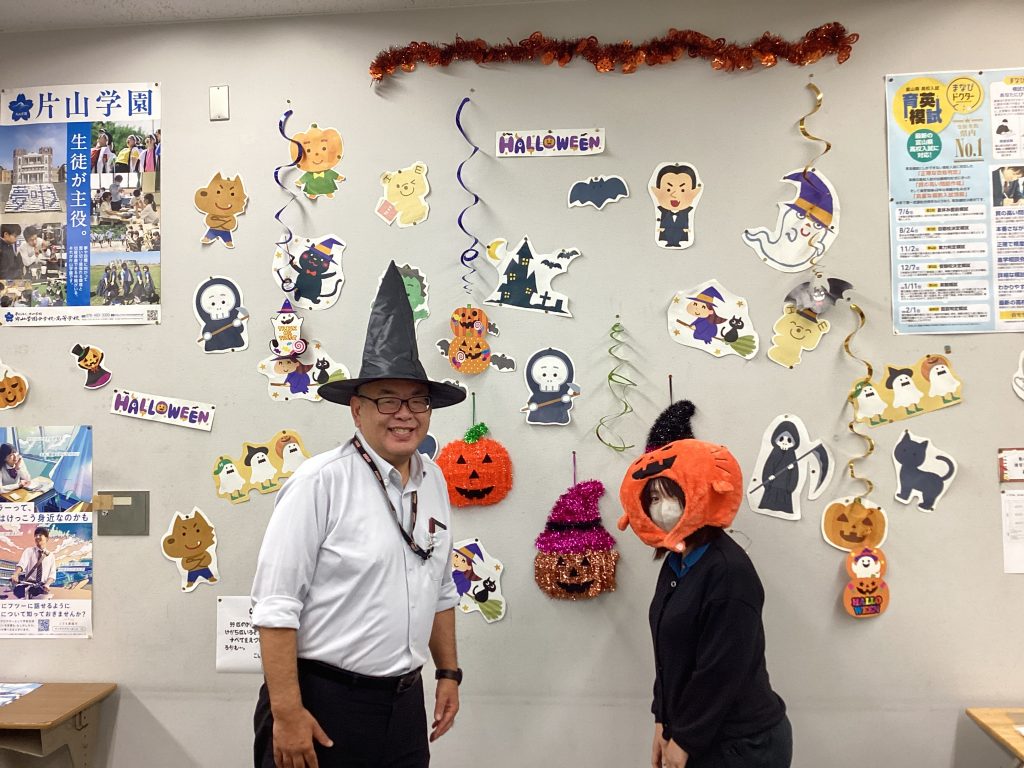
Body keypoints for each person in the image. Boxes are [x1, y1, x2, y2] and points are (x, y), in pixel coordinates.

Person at [251, 261, 467, 768]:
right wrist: (287, 713)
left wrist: (448, 672)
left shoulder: (434, 480)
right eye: (387, 400)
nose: (404, 414)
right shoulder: (319, 483)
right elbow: (275, 607)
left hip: (404, 705)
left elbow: (440, 587)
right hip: (323, 704)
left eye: (417, 401)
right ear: (357, 410)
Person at [618, 401, 791, 768]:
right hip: (696, 731)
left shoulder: (728, 572)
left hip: (741, 743)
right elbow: (670, 656)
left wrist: (684, 739)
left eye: (671, 494)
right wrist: (662, 720)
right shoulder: (677, 562)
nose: (661, 508)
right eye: (653, 497)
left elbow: (721, 668)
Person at [11, 526, 56, 599]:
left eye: (40, 535)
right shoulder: (29, 551)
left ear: (47, 538)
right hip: (28, 584)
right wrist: (15, 574)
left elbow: (52, 574)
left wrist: (47, 584)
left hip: (42, 587)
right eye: (36, 535)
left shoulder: (51, 556)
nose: (37, 537)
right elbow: (22, 564)